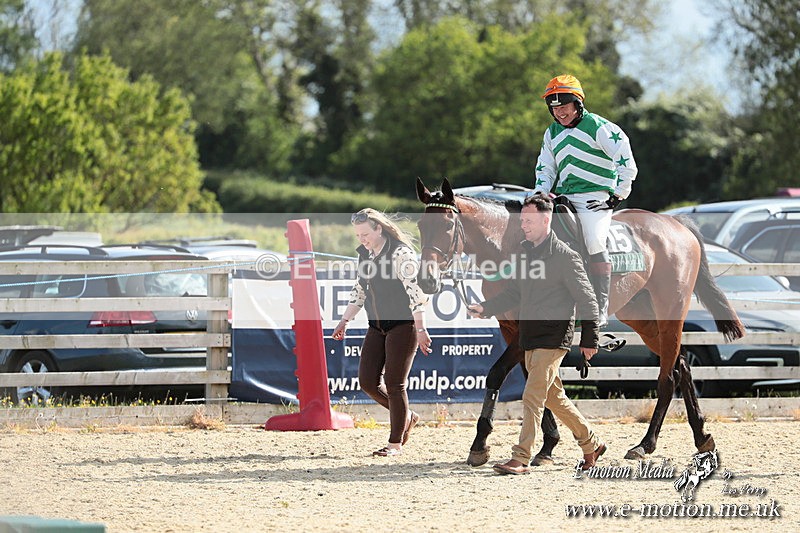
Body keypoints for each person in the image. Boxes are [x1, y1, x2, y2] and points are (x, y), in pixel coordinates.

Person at [468, 194, 606, 475]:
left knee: (532, 396)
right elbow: (514, 292)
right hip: (530, 336)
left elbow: (588, 298)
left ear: (546, 220)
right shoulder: (525, 253)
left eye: (529, 221)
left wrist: (590, 338)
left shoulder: (566, 257)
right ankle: (592, 444)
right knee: (555, 398)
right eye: (522, 221)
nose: (524, 226)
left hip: (553, 337)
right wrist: (486, 308)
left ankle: (521, 458)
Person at [533, 74, 638, 326]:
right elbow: (545, 168)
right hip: (563, 198)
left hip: (596, 198)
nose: (559, 113)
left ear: (578, 103)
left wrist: (617, 196)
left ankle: (599, 309)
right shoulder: (551, 133)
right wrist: (540, 193)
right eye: (554, 108)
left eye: (564, 106)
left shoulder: (601, 128)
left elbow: (627, 165)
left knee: (592, 241)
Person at [332, 208, 432, 457]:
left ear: (379, 228)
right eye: (357, 235)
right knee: (367, 381)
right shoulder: (365, 254)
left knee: (395, 384)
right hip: (376, 325)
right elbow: (360, 291)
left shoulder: (401, 254)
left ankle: (395, 443)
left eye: (365, 234)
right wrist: (344, 320)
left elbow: (416, 295)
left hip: (403, 325)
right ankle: (407, 416)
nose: (361, 239)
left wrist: (420, 329)